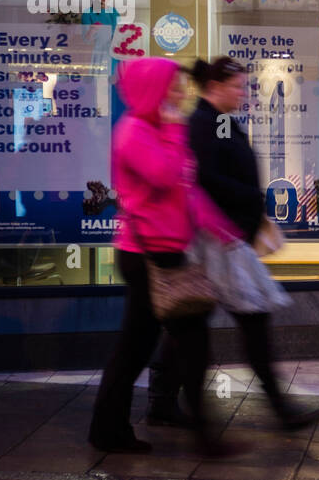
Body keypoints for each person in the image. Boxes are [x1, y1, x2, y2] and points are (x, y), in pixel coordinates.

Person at [146, 56, 319, 431]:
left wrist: (250, 201)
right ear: (215, 88)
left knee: (192, 323)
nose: (244, 93)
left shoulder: (221, 121)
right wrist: (249, 198)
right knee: (247, 318)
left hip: (227, 237)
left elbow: (229, 165)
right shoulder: (200, 124)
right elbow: (206, 179)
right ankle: (275, 408)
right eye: (237, 86)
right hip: (216, 240)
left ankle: (163, 401)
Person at [87, 57, 242, 456]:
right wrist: (174, 128)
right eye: (172, 86)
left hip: (166, 251)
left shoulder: (155, 129)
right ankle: (200, 436)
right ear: (152, 89)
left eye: (179, 86)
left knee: (143, 345)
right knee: (182, 343)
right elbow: (164, 175)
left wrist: (219, 227)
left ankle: (113, 427)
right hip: (148, 255)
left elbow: (186, 191)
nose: (179, 93)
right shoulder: (135, 132)